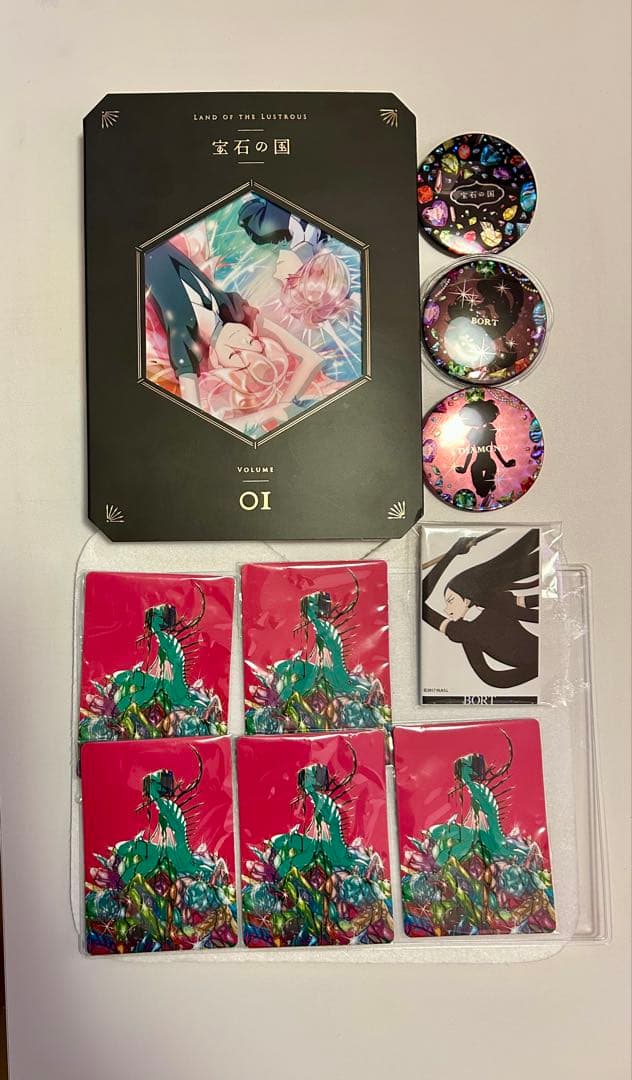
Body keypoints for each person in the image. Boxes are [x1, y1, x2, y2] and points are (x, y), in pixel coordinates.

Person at [422, 529, 539, 689]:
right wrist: (452, 553)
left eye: (451, 601)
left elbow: (541, 615)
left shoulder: (498, 606)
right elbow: (492, 678)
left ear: (466, 600)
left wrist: (453, 552)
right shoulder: (463, 631)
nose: (446, 610)